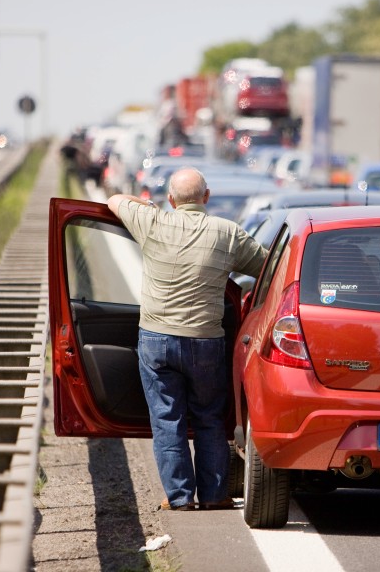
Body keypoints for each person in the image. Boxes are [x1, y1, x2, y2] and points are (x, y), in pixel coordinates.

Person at [107, 168, 268, 512]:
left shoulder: (152, 222)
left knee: (167, 419)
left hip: (156, 339)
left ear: (171, 200)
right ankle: (214, 495)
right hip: (205, 342)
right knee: (210, 417)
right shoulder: (227, 233)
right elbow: (267, 268)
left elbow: (114, 199)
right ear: (206, 197)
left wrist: (147, 204)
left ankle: (179, 498)